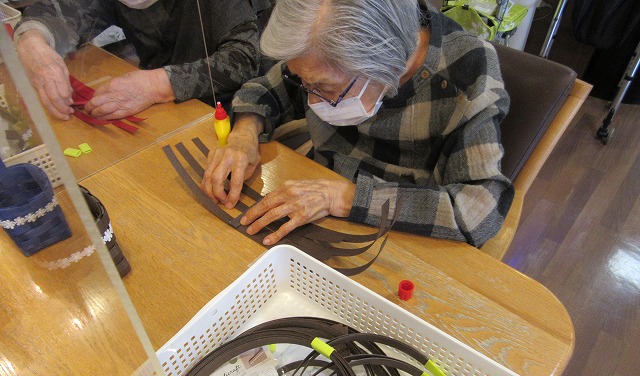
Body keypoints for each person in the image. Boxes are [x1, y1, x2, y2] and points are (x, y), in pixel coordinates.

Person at [201, 0, 514, 248]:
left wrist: (344, 197)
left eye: (324, 87)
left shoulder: (466, 69)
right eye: (303, 83)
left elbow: (479, 209)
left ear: (382, 63)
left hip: (401, 230)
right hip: (316, 195)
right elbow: (266, 89)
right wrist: (244, 135)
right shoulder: (320, 44)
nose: (310, 97)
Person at [13, 0, 273, 120]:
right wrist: (32, 40)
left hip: (242, 112)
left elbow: (243, 60)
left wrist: (155, 85)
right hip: (168, 111)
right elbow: (64, 10)